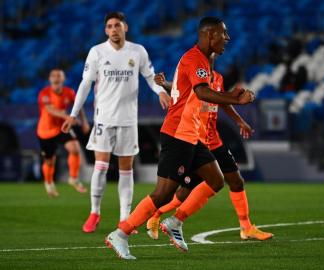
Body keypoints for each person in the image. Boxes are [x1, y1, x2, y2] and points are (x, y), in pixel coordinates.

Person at [105, 16, 255, 260]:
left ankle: (174, 222)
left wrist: (230, 96)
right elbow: (202, 92)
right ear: (209, 35)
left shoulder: (203, 61)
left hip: (191, 135)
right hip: (177, 134)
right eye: (223, 33)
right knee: (163, 194)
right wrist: (236, 99)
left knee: (216, 180)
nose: (226, 38)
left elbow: (196, 92)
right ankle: (120, 234)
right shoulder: (195, 58)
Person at [61, 12, 171, 233]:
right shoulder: (97, 52)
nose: (114, 29)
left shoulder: (137, 51)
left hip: (128, 120)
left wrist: (160, 91)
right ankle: (94, 212)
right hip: (103, 119)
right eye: (110, 26)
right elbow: (85, 84)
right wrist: (73, 114)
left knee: (126, 169)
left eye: (117, 25)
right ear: (105, 30)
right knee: (100, 167)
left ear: (125, 27)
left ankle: (124, 218)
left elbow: (150, 77)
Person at [146, 54, 272, 241]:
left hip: (214, 141)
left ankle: (246, 227)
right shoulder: (194, 74)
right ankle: (156, 215)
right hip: (195, 142)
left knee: (236, 181)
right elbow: (179, 90)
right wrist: (165, 84)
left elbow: (223, 102)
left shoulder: (218, 78)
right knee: (184, 190)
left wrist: (240, 121)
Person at [37, 68, 89, 197]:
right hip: (45, 132)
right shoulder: (44, 93)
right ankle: (49, 183)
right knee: (50, 161)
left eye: (58, 75)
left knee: (75, 148)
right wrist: (67, 117)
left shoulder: (69, 92)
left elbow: (79, 105)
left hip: (62, 128)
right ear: (50, 79)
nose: (56, 77)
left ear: (63, 78)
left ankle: (73, 178)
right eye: (53, 75)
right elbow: (50, 109)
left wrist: (84, 121)